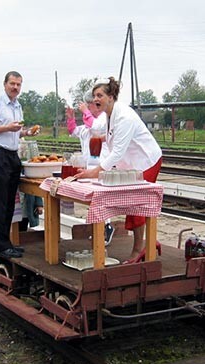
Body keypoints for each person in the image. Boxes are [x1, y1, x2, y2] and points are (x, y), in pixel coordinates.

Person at [76, 77, 163, 262]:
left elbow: (117, 152)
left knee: (137, 202)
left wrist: (94, 172)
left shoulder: (124, 116)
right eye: (94, 96)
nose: (95, 99)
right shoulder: (109, 114)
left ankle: (139, 248)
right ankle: (148, 242)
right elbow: (113, 138)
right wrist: (102, 140)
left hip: (146, 161)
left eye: (99, 95)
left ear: (111, 96)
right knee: (134, 201)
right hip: (133, 163)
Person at [0, 71, 38, 259]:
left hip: (13, 154)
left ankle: (7, 242)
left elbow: (14, 132)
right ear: (5, 84)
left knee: (10, 200)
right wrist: (7, 128)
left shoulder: (18, 106)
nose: (15, 87)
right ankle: (1, 245)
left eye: (19, 84)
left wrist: (26, 133)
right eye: (12, 84)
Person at [65, 92, 114, 245]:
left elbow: (97, 128)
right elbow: (73, 131)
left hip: (102, 165)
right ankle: (98, 226)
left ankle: (107, 226)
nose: (91, 108)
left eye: (91, 105)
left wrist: (85, 112)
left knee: (102, 197)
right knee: (93, 199)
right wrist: (71, 117)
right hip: (89, 168)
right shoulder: (87, 127)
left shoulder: (102, 121)